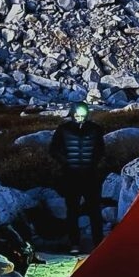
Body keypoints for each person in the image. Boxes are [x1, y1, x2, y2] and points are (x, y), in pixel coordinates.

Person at [49, 101, 106, 254]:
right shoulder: (63, 129)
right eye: (77, 115)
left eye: (83, 115)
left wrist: (93, 162)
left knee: (94, 211)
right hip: (71, 177)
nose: (80, 118)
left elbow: (101, 149)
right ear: (72, 114)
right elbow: (53, 149)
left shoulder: (95, 129)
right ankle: (74, 243)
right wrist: (65, 161)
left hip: (90, 176)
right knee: (72, 211)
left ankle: (98, 242)